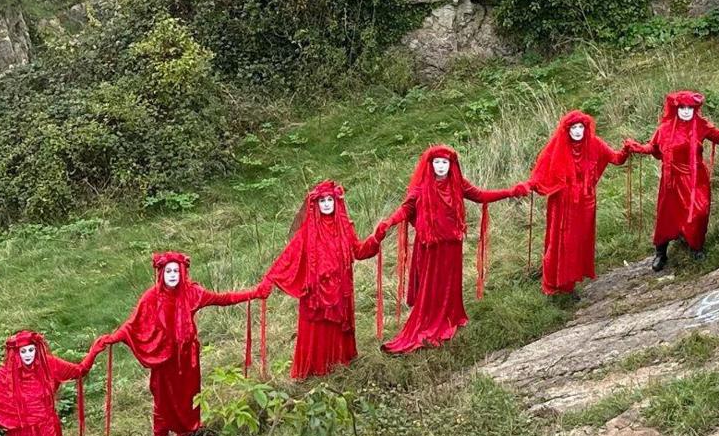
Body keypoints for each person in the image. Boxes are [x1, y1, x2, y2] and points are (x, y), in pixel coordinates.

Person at [85, 252, 263, 436]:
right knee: (162, 404)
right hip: (163, 362)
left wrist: (254, 293)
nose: (172, 275)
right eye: (168, 271)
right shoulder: (151, 298)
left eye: (175, 271)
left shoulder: (192, 293)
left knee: (187, 402)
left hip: (188, 361)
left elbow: (223, 298)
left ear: (182, 272)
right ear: (161, 273)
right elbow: (132, 325)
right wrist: (113, 338)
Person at [371, 145, 528, 353]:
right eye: (437, 162)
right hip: (430, 246)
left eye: (445, 162)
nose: (441, 166)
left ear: (451, 165)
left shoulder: (458, 184)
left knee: (449, 283)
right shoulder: (421, 187)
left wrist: (510, 192)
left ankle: (449, 316)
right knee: (431, 285)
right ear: (430, 164)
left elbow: (481, 195)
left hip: (451, 245)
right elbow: (406, 209)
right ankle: (429, 320)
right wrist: (388, 223)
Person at [257, 181, 382, 381]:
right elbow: (289, 256)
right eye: (322, 200)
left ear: (336, 202)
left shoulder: (345, 227)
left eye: (329, 200)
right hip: (316, 294)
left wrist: (376, 238)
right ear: (315, 204)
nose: (325, 204)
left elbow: (358, 251)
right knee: (316, 330)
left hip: (340, 290)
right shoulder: (307, 232)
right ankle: (316, 368)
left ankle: (339, 363)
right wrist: (270, 279)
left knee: (336, 329)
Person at [524, 110, 632, 293]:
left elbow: (615, 158)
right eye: (573, 127)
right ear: (567, 130)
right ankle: (557, 283)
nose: (577, 131)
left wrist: (628, 149)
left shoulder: (594, 144)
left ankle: (571, 280)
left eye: (581, 127)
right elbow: (540, 173)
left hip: (586, 203)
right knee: (561, 242)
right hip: (563, 204)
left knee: (579, 242)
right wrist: (528, 186)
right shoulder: (557, 146)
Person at [627, 92, 719, 270]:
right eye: (682, 108)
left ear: (695, 109)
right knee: (667, 215)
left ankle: (696, 247)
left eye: (690, 108)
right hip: (671, 180)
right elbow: (653, 147)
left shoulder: (702, 125)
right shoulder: (665, 128)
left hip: (695, 179)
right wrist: (638, 148)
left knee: (699, 212)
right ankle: (661, 253)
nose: (686, 111)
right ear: (676, 109)